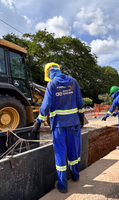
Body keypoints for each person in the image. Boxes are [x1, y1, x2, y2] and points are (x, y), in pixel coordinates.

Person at [34, 62, 85, 193]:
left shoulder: (52, 84)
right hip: (74, 124)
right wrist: (81, 116)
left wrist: (38, 120)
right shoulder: (73, 82)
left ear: (49, 73)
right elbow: (80, 101)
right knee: (74, 152)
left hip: (59, 125)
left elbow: (46, 105)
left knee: (60, 154)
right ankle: (75, 176)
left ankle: (63, 185)